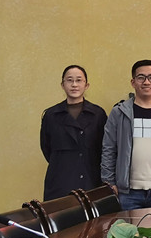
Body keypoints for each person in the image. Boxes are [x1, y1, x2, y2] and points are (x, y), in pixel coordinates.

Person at [101, 59, 151, 210]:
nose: (146, 82)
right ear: (133, 82)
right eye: (141, 77)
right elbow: (108, 149)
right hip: (127, 193)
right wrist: (109, 182)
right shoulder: (119, 113)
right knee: (127, 227)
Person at [39, 65, 107, 200]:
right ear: (62, 85)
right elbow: (46, 147)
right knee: (60, 212)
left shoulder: (98, 114)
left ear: (86, 85)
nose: (74, 85)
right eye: (69, 80)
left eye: (79, 80)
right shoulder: (51, 115)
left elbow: (105, 148)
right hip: (60, 181)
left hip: (91, 181)